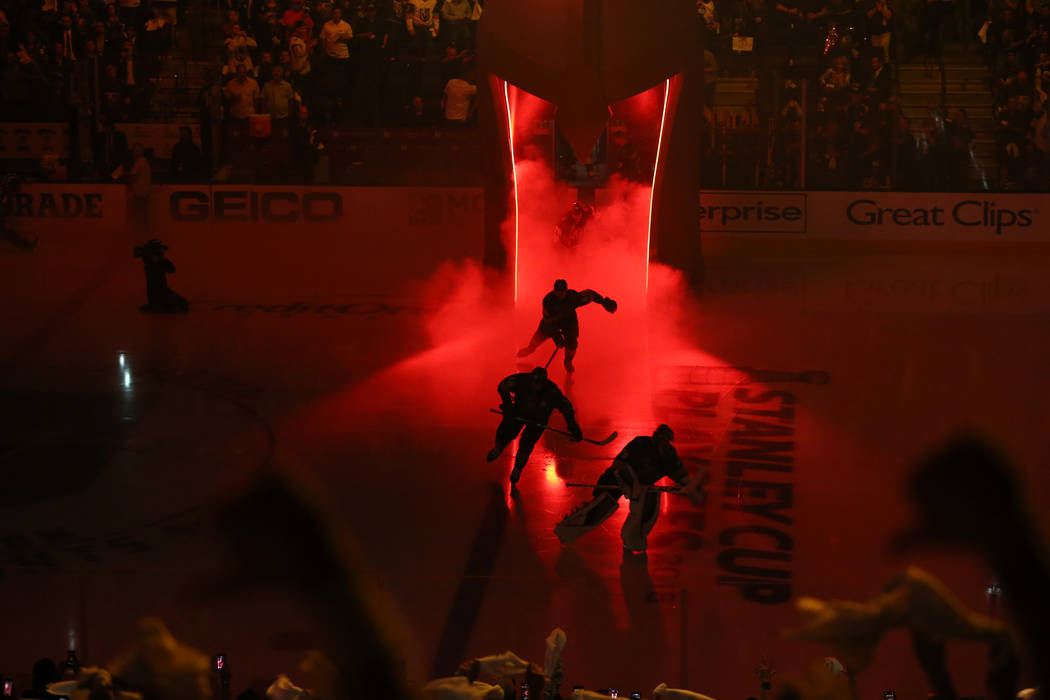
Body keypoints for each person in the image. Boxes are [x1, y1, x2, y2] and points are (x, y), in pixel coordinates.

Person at [555, 425, 703, 553]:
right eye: (660, 438)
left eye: (666, 440)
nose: (662, 443)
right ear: (655, 436)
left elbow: (682, 477)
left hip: (644, 487)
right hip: (617, 479)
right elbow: (619, 464)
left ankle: (633, 540)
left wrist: (691, 489)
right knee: (600, 508)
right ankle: (567, 531)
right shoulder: (640, 444)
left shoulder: (670, 456)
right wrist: (630, 483)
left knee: (648, 512)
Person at [486, 367, 582, 484]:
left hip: (538, 420)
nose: (536, 386)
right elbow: (502, 386)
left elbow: (566, 408)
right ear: (531, 380)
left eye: (539, 384)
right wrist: (507, 405)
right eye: (535, 383)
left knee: (527, 445)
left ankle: (518, 468)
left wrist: (573, 427)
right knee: (505, 432)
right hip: (518, 412)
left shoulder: (552, 391)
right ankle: (498, 448)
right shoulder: (521, 380)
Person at [516, 279, 616, 373]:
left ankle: (568, 360)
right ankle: (530, 348)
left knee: (572, 343)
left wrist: (604, 302)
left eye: (562, 292)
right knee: (540, 335)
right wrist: (557, 338)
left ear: (566, 291)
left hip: (569, 320)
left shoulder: (573, 297)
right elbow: (547, 321)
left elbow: (590, 294)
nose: (560, 294)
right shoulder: (548, 301)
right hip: (551, 321)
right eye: (557, 292)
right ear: (554, 291)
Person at [134, 238, 188, 313]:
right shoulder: (150, 263)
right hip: (158, 295)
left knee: (182, 303)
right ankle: (161, 305)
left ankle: (161, 305)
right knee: (182, 304)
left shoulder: (158, 261)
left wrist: (162, 259)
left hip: (161, 293)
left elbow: (172, 270)